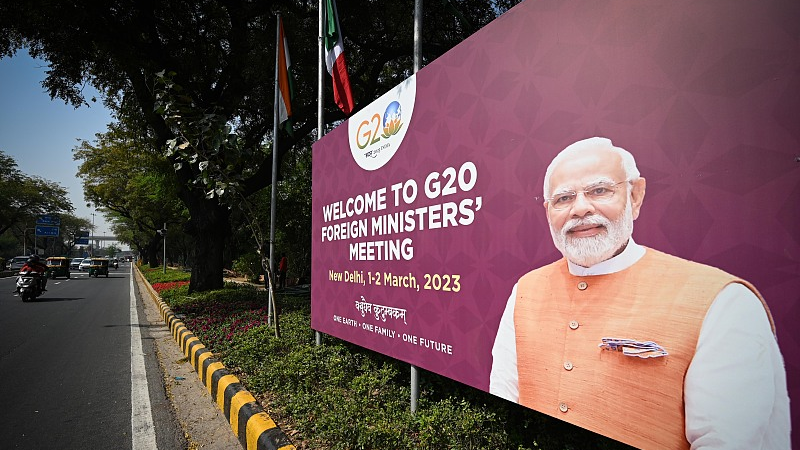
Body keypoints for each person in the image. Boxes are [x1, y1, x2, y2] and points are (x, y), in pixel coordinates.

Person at [489, 137, 790, 449]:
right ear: (548, 211)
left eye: (599, 190)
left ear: (635, 196)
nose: (580, 208)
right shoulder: (525, 290)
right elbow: (504, 396)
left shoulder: (723, 303)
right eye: (564, 198)